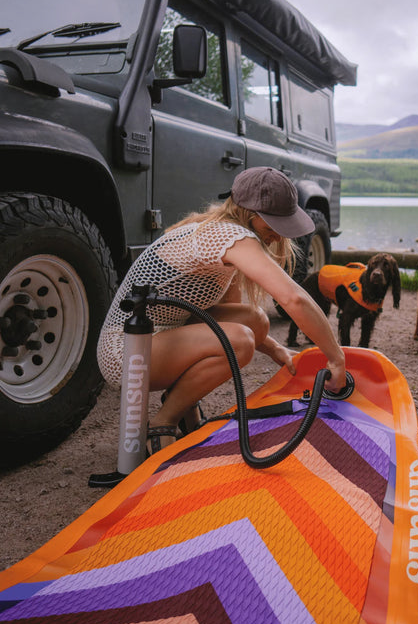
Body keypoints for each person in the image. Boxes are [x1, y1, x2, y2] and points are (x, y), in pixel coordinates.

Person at [97, 166, 347, 456]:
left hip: (160, 335)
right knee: (239, 341)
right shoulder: (227, 236)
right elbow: (294, 299)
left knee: (255, 321)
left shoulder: (224, 237)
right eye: (273, 227)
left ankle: (182, 402)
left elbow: (226, 311)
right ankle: (162, 423)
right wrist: (336, 358)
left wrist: (276, 349)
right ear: (249, 215)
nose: (278, 238)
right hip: (125, 352)